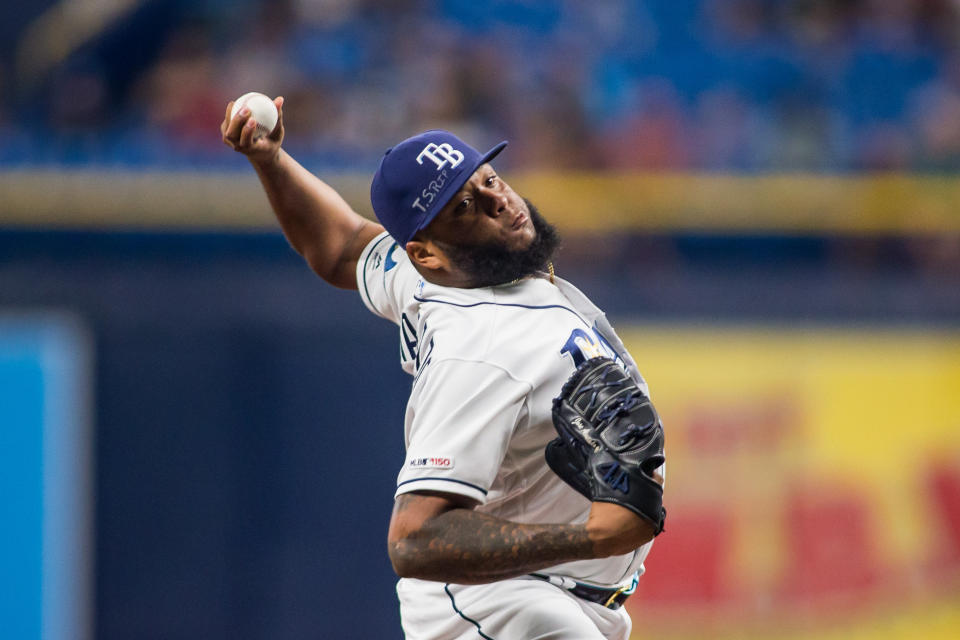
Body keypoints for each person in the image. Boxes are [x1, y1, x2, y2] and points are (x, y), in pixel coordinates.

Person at [221, 96, 664, 640]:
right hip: (504, 604)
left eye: (490, 180)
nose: (497, 201)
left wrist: (271, 161)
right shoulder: (482, 350)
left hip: (550, 595)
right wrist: (594, 537)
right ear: (426, 251)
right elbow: (415, 538)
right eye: (463, 208)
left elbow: (342, 247)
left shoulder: (432, 276)